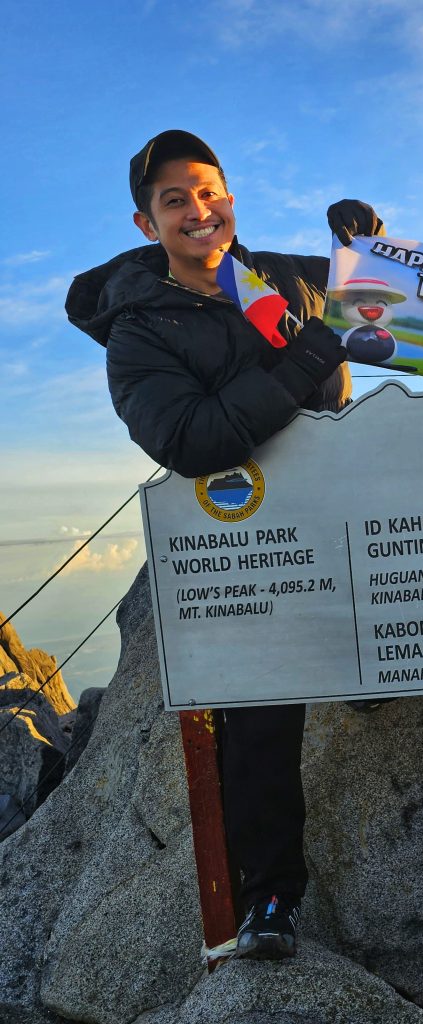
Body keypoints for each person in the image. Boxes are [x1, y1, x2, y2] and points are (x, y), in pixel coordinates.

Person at [65, 130, 385, 957]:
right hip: (243, 542)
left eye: (207, 191)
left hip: (337, 513)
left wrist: (368, 250)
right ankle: (270, 899)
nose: (197, 211)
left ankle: (366, 673)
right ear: (147, 225)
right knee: (260, 718)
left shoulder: (278, 277)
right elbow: (191, 436)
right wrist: (297, 364)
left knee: (391, 666)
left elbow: (395, 314)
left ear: (230, 200)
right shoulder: (138, 331)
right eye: (175, 200)